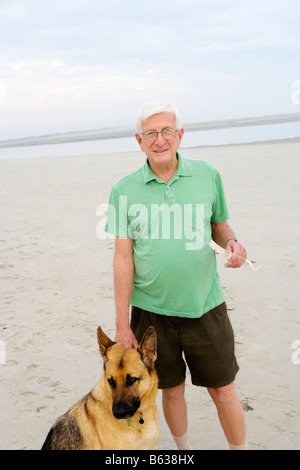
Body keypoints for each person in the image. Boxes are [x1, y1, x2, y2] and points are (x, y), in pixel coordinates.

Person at [105, 100, 248, 450]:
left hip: (204, 304)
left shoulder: (207, 174)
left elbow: (220, 226)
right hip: (152, 312)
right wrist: (123, 325)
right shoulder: (124, 190)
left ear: (180, 135)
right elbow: (123, 259)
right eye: (150, 133)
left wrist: (233, 244)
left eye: (167, 131)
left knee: (224, 389)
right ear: (139, 141)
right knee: (171, 390)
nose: (160, 139)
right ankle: (185, 452)